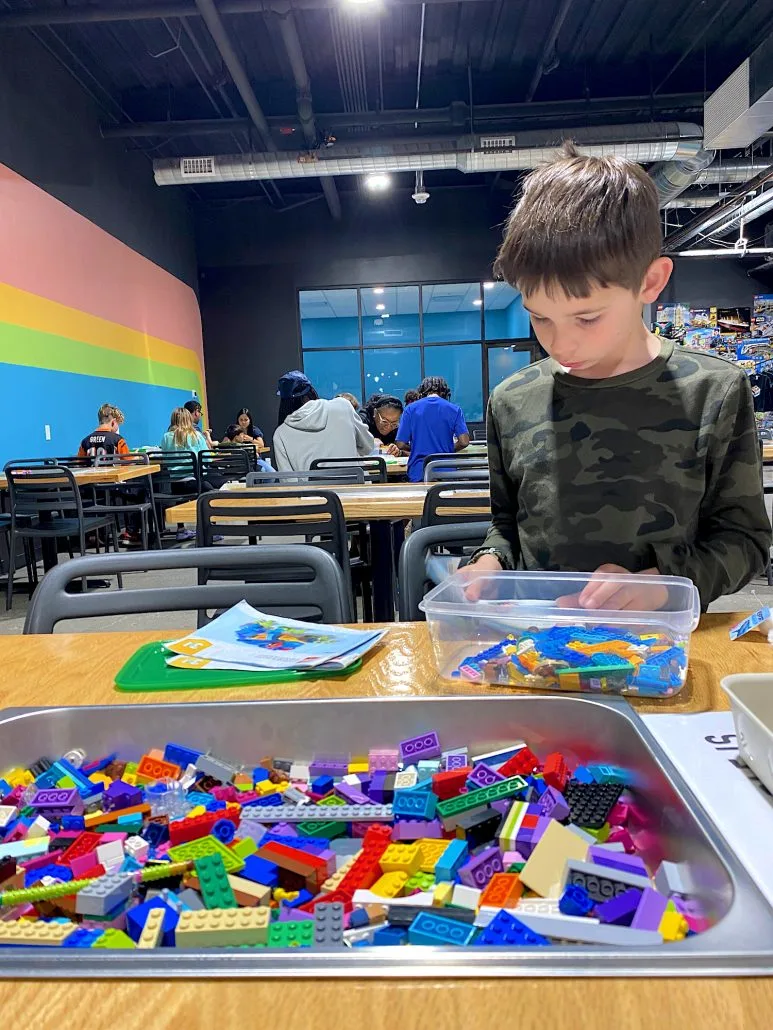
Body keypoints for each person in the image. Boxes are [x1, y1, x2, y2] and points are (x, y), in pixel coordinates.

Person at [465, 141, 771, 611]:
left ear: (650, 282)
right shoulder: (512, 399)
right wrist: (489, 562)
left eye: (587, 318)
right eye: (539, 318)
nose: (561, 344)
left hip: (656, 649)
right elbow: (506, 527)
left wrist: (662, 584)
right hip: (533, 649)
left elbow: (744, 541)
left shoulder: (713, 391)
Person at [272, 370, 374, 471]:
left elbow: (289, 481)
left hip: (312, 487)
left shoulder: (280, 434)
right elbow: (368, 446)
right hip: (354, 485)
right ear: (312, 391)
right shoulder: (343, 406)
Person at [159, 407, 224, 542]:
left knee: (180, 497)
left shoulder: (166, 437)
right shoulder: (196, 435)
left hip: (175, 484)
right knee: (211, 493)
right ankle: (210, 529)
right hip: (193, 482)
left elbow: (165, 459)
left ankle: (181, 529)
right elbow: (206, 458)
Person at [394, 377, 470, 482]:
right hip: (447, 471)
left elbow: (400, 444)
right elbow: (464, 441)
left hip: (419, 471)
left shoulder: (410, 409)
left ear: (421, 392)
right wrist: (447, 449)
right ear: (445, 392)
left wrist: (417, 448)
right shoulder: (455, 409)